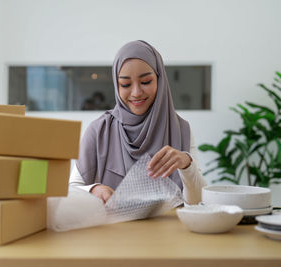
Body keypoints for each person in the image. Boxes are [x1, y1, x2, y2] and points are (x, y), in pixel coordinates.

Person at [70, 40, 206, 205]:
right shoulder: (99, 131)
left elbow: (197, 201)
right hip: (112, 230)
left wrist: (186, 163)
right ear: (116, 85)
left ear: (160, 80)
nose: (136, 93)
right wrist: (93, 189)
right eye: (125, 84)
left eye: (146, 82)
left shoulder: (180, 129)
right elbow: (71, 189)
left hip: (169, 230)